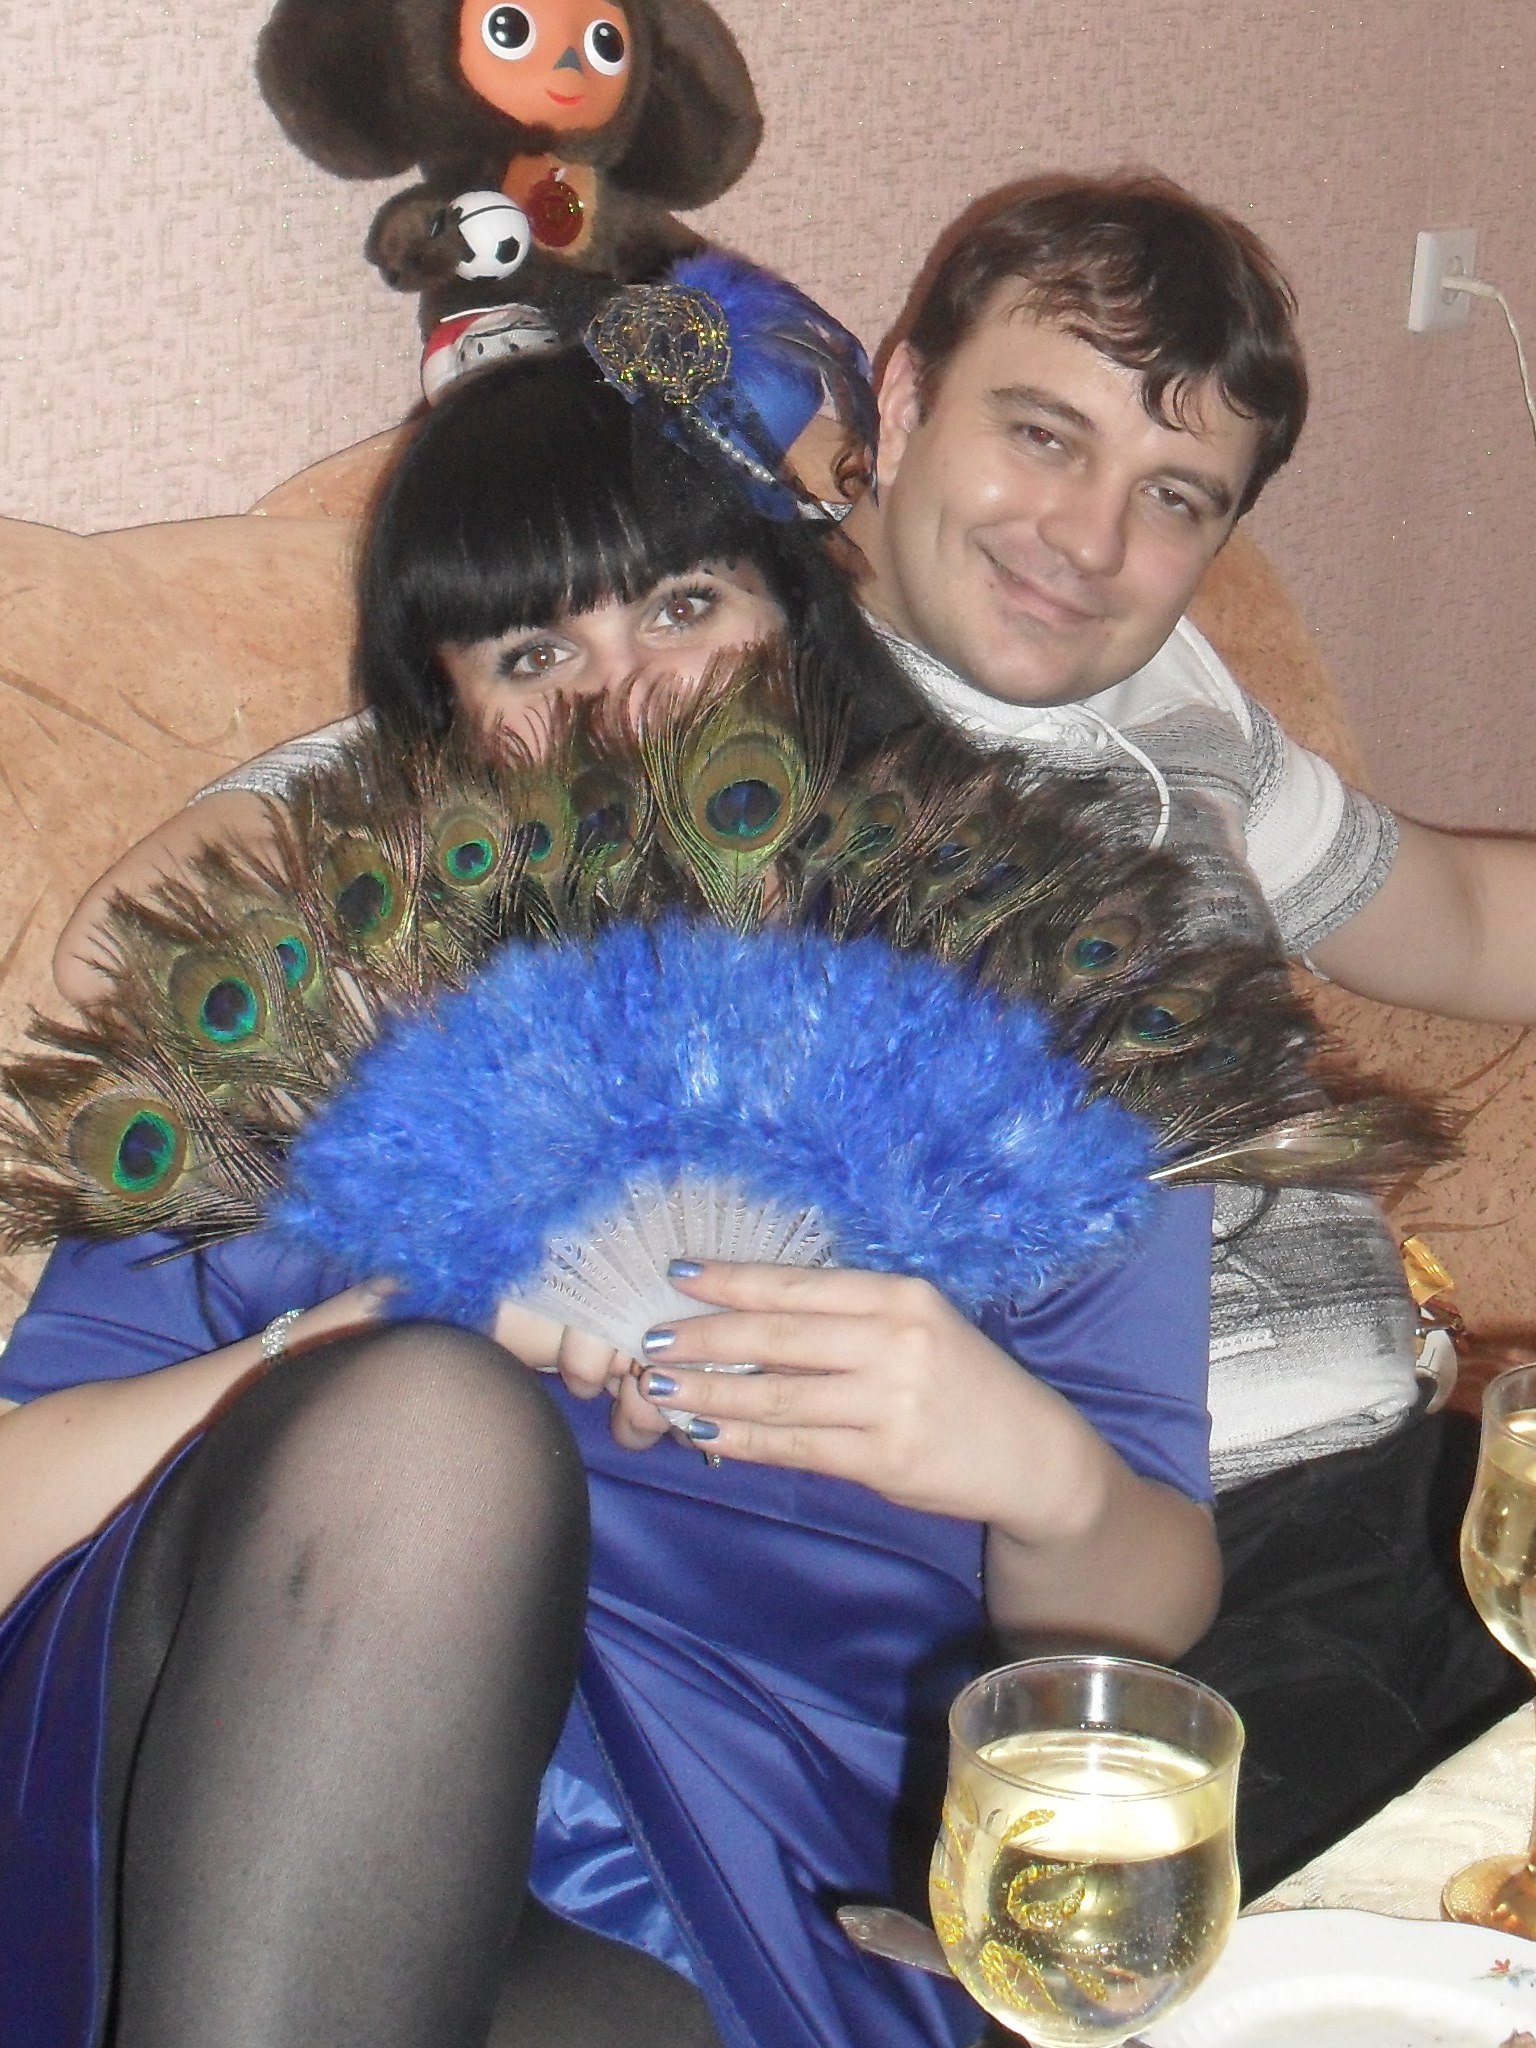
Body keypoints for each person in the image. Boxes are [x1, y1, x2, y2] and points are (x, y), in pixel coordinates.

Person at [0, 339, 1224, 2048]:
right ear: (444, 709)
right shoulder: (308, 1006)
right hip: (230, 1757)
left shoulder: (1038, 996)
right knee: (421, 1426)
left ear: (797, 615)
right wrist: (320, 1353)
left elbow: (1149, 1603)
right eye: (533, 651)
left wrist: (1036, 1468)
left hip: (759, 1856)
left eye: (683, 605)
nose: (627, 696)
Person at [836, 169, 1530, 1880]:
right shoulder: (732, 694)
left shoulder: (1171, 697)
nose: (1089, 544)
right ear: (903, 400)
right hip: (1126, 1594)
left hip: (1416, 1498)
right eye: (1042, 435)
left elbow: (1461, 917)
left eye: (1173, 497)